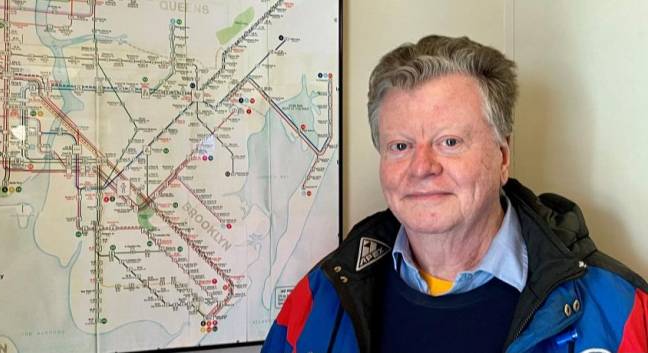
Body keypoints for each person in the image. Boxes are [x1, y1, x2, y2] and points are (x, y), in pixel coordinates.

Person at [261, 35, 647, 353]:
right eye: (400, 146)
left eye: (449, 142)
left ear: (503, 156)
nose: (422, 166)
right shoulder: (316, 302)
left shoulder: (619, 310)